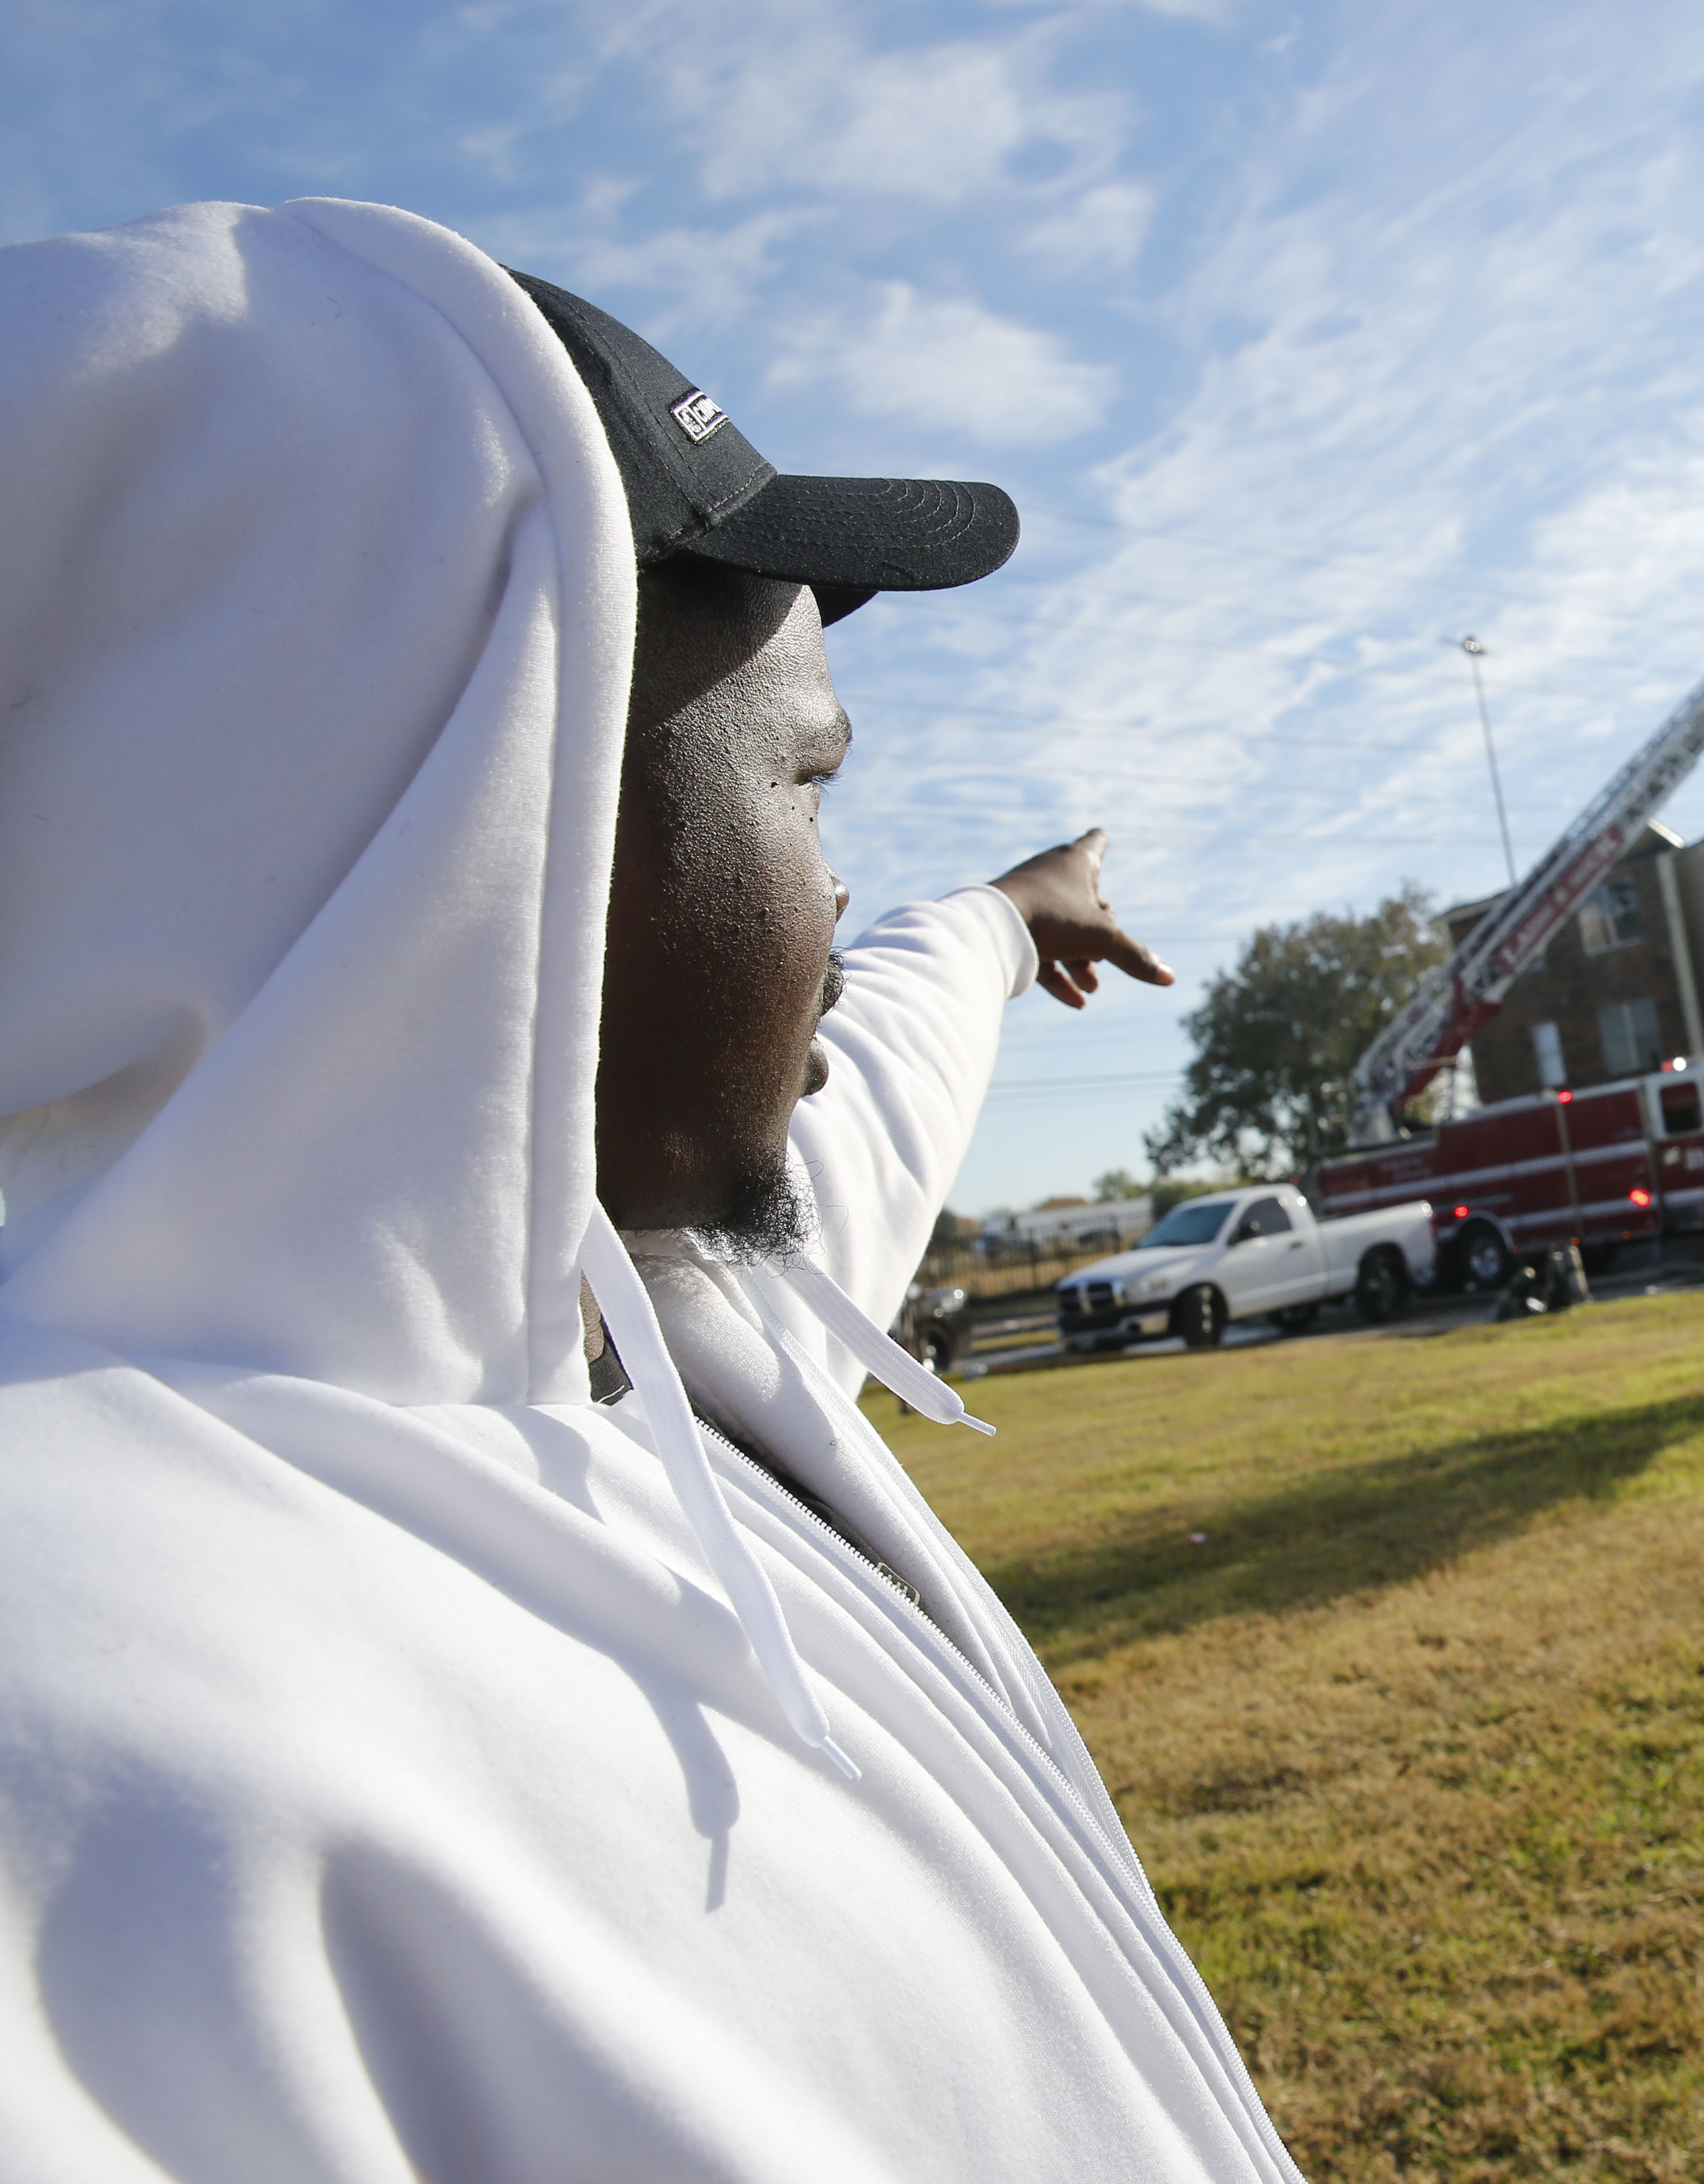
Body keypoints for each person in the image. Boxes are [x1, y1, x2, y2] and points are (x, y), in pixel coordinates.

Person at [0, 200, 1304, 2175]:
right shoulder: (92, 1707)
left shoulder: (651, 1321)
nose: (840, 891)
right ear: (497, 810)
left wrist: (1002, 913)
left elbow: (884, 1055)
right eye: (806, 787)